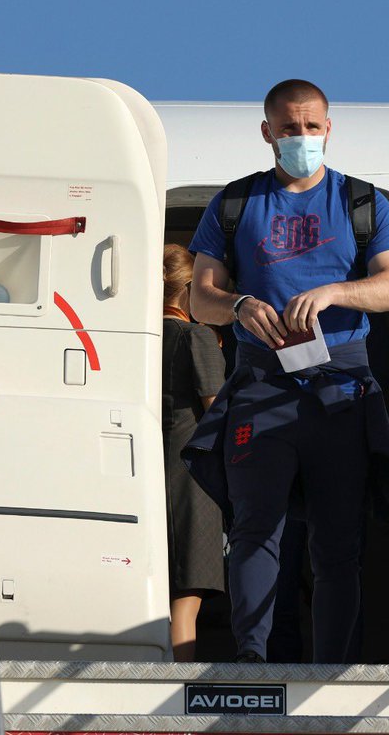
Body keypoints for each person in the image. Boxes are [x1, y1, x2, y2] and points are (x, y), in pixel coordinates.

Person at [185, 79, 389, 664]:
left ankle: (335, 670)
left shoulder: (363, 203)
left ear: (329, 127)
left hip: (338, 386)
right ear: (268, 132)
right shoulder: (235, 204)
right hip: (262, 384)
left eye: (312, 126)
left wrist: (338, 290)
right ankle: (254, 664)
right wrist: (238, 305)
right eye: (290, 128)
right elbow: (199, 297)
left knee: (338, 543)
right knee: (255, 531)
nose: (303, 137)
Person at [161, 244, 226, 661]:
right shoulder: (196, 336)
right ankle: (175, 698)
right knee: (186, 600)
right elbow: (216, 412)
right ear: (188, 289)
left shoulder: (141, 338)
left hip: (148, 471)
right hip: (192, 477)